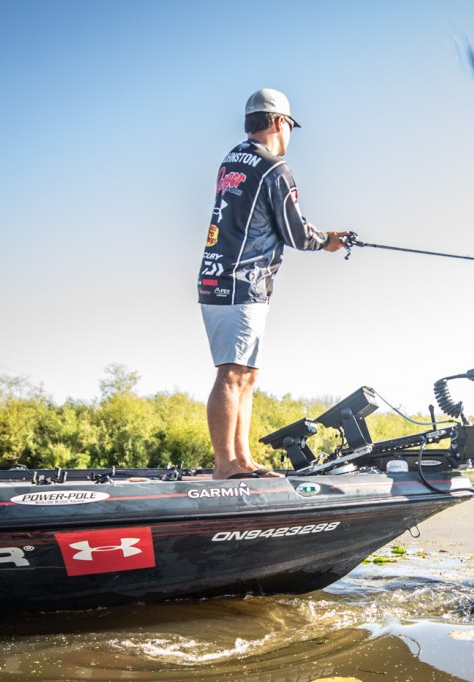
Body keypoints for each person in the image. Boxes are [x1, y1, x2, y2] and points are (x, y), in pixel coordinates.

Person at [197, 88, 347, 480]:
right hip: (241, 280)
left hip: (222, 276)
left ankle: (242, 460)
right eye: (290, 127)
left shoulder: (233, 159)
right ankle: (225, 465)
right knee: (233, 373)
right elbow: (296, 233)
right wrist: (327, 240)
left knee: (246, 375)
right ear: (280, 122)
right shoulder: (274, 169)